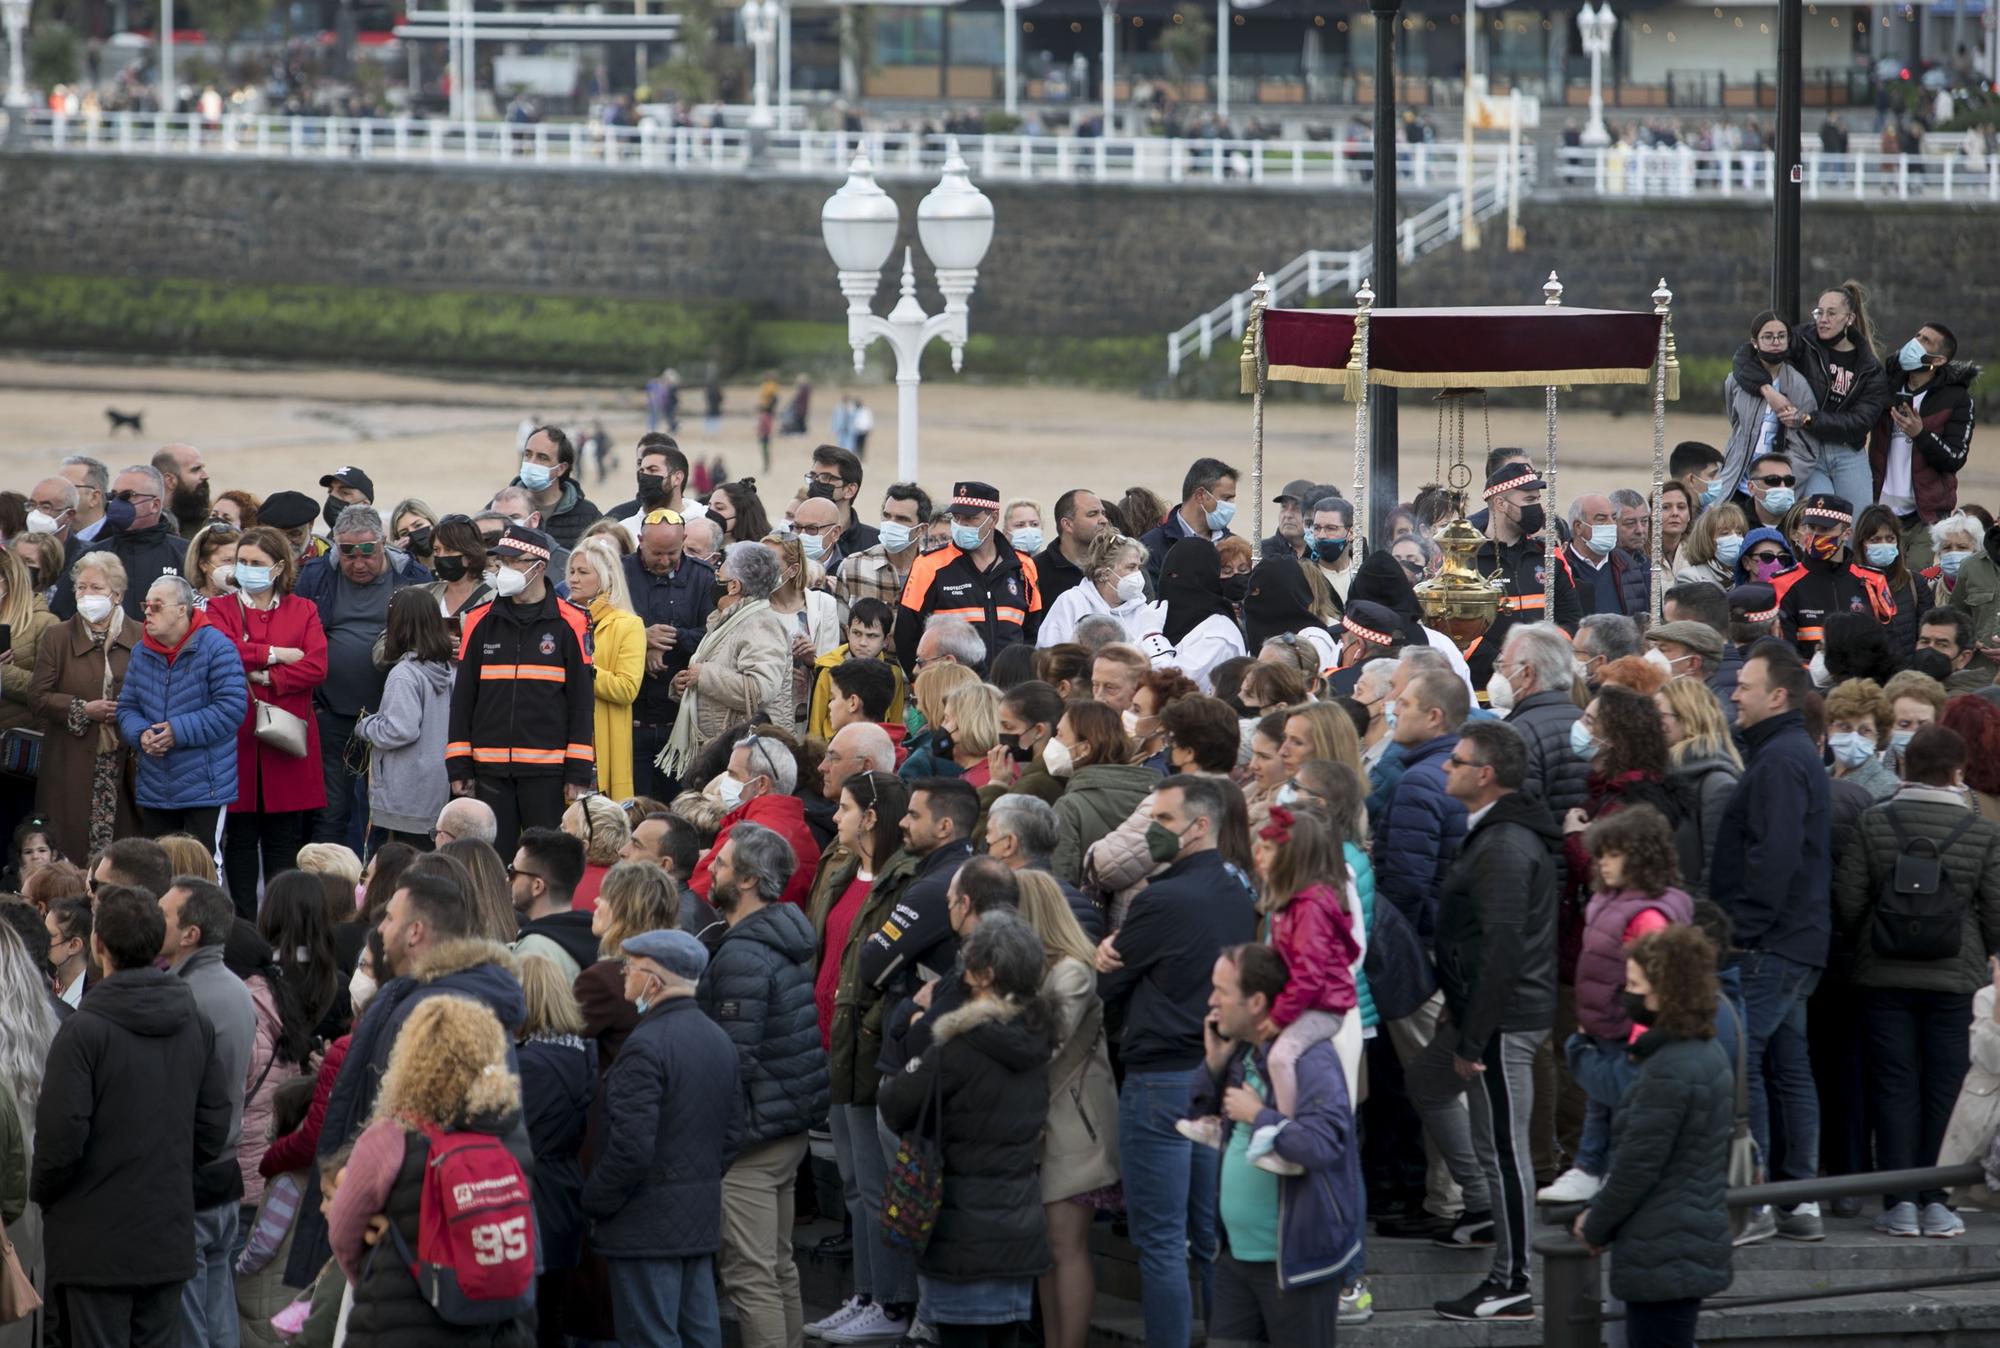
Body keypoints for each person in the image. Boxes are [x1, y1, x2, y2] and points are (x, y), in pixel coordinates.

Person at [1093, 776, 1257, 1348]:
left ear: (1201, 826)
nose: (1151, 833)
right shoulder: (1238, 893)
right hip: (1216, 1075)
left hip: (1162, 1080)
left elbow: (1106, 985)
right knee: (1206, 1231)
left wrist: (1100, 958)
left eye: (1162, 821)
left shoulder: (1160, 898)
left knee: (1161, 1240)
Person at [32, 886, 232, 1348]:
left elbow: (61, 1139)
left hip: (94, 1242)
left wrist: (48, 1197)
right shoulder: (193, 1021)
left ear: (98, 944)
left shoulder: (83, 1032)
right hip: (164, 1233)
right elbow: (213, 1127)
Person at [1408, 720, 1556, 1322]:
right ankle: (1482, 1209)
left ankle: (1514, 1279)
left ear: (1484, 775)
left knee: (1503, 1146)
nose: (1445, 767)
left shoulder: (1503, 845)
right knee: (1428, 1081)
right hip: (1482, 1011)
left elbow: (1502, 948)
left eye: (1457, 762)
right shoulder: (1495, 834)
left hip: (1502, 1019)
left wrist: (1476, 1036)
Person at [1832, 723, 2000, 1237]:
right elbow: (1996, 912)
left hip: (1884, 974)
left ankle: (1899, 1202)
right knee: (1944, 1086)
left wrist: (1875, 938)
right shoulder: (1982, 831)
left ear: (1903, 765)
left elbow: (1849, 899)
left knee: (1893, 1084)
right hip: (1955, 978)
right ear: (1957, 771)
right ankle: (1937, 1198)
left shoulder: (1874, 821)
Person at [878, 915, 1052, 1348]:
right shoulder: (1035, 1041)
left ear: (986, 974)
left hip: (962, 1235)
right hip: (1018, 1230)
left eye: (966, 965)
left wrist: (913, 1025)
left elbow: (897, 1102)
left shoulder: (959, 1048)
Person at [326, 992, 534, 1348]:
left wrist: (379, 1276)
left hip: (399, 1321)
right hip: (494, 1322)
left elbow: (343, 1233)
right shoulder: (509, 1132)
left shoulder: (389, 1136)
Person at [1713, 640, 1830, 1243]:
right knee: (1788, 1066)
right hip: (1795, 937)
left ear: (1778, 695)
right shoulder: (1783, 753)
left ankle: (1756, 1200)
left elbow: (1774, 854)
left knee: (1746, 1065)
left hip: (1771, 943)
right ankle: (1799, 1199)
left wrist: (1744, 929)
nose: (1733, 693)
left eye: (1746, 686)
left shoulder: (1780, 760)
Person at [696, 823, 828, 1348]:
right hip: (782, 1124)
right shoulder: (779, 934)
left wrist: (720, 1140)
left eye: (723, 864)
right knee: (777, 1266)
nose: (712, 869)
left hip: (753, 1135)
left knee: (751, 1276)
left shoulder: (744, 954)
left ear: (748, 880)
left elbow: (734, 1060)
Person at [1191, 941, 1361, 1346]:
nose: (1211, 1001)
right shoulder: (1243, 1053)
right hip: (1235, 1258)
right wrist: (1212, 1067)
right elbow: (1197, 1112)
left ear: (1256, 1002)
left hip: (1295, 1266)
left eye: (1222, 991)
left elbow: (1322, 1145)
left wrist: (1260, 1116)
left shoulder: (1311, 1060)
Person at [1573, 926, 1735, 1348]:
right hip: (1682, 1240)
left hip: (1662, 1247)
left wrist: (1595, 1223)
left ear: (1666, 991)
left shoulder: (1669, 1067)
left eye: (1634, 986)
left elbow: (1636, 1165)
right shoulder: (1704, 1052)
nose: (1627, 996)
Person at [584, 928, 740, 1348]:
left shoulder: (645, 1046)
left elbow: (631, 1148)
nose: (625, 977)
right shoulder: (719, 1041)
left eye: (630, 968)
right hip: (697, 1219)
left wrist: (594, 1199)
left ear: (654, 981)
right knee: (699, 1334)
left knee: (650, 1336)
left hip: (644, 1227)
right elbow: (733, 1134)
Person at [1542, 805, 1693, 1206]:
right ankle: (1591, 1167)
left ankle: (1604, 1170)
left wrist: (1643, 1034)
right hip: (1603, 1023)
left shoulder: (1647, 913)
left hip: (1628, 1029)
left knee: (1619, 1106)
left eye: (1613, 855)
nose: (1603, 863)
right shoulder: (1610, 900)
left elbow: (1655, 982)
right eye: (1601, 853)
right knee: (1600, 1103)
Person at [1013, 871, 1118, 1348]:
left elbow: (1042, 1043)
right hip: (1050, 1124)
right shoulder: (1039, 970)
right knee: (1047, 1251)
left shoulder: (1072, 970)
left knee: (1065, 1247)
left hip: (1076, 1127)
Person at [447, 525, 595, 855]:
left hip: (547, 772)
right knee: (494, 861)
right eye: (501, 563)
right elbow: (463, 698)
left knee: (545, 860)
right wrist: (459, 762)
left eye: (514, 563)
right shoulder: (478, 620)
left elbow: (581, 703)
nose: (505, 571)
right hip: (489, 770)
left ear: (539, 566)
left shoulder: (571, 622)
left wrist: (578, 770)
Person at [206, 526, 328, 917]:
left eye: (256, 563)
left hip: (286, 740)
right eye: (241, 561)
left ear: (277, 568)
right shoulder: (219, 609)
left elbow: (316, 666)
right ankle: (242, 921)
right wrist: (276, 653)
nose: (246, 568)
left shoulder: (303, 609)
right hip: (238, 740)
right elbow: (222, 651)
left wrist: (265, 675)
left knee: (283, 841)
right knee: (239, 840)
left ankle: (281, 923)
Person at [156, 877, 255, 1347]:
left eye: (165, 914)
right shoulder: (236, 989)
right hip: (224, 1174)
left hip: (192, 1177)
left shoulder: (186, 997)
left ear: (191, 934)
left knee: (192, 1322)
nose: (154, 920)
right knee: (218, 1315)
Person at [1731, 281, 1888, 508]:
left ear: (1850, 319)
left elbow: (1861, 421)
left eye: (1831, 313)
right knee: (1818, 518)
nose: (1822, 319)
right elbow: (1744, 358)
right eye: (1819, 312)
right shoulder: (1804, 340)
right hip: (1808, 448)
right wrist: (1768, 391)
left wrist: (1808, 418)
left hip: (1847, 451)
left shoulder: (1869, 367)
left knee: (1858, 524)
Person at [116, 574, 248, 843]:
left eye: (157, 606)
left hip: (205, 784)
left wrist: (177, 730)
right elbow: (127, 707)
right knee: (158, 869)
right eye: (146, 605)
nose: (148, 613)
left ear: (181, 610)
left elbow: (231, 709)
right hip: (156, 785)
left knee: (203, 869)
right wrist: (141, 734)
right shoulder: (141, 652)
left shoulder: (218, 648)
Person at [30, 550, 138, 863]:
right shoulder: (58, 636)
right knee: (70, 850)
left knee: (120, 855)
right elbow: (38, 696)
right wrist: (82, 709)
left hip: (122, 762)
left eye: (96, 588)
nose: (86, 595)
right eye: (81, 587)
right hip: (70, 761)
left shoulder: (141, 637)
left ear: (116, 594)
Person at [655, 543, 791, 785]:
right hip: (716, 750)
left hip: (737, 757)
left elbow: (760, 690)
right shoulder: (727, 622)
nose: (714, 580)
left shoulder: (760, 624)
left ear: (734, 585)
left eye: (719, 575)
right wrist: (684, 684)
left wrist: (704, 675)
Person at [895, 481, 1043, 672]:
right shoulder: (928, 565)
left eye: (970, 518)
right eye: (956, 517)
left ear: (993, 517)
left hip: (1007, 690)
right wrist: (924, 684)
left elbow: (1032, 631)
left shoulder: (1023, 566)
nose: (961, 524)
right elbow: (906, 635)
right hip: (949, 691)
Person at [622, 505, 717, 800]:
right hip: (630, 718)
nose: (664, 561)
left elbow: (713, 637)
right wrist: (641, 640)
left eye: (672, 554)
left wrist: (667, 639)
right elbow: (599, 628)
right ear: (640, 540)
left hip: (681, 723)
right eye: (656, 554)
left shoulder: (703, 578)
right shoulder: (620, 572)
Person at [355, 589, 456, 852]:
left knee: (398, 869)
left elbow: (399, 730)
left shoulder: (404, 673)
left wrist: (366, 726)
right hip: (433, 790)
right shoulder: (443, 668)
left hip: (403, 794)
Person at [1871, 320, 1977, 568]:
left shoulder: (1956, 398)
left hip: (1925, 515)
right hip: (1880, 510)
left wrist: (1921, 434)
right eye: (1917, 336)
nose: (1914, 343)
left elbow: (1955, 458)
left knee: (1917, 584)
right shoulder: (1886, 385)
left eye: (1925, 341)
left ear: (1938, 360)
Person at [687, 733, 822, 911]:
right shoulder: (799, 829)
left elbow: (697, 898)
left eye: (733, 774)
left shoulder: (747, 834)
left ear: (761, 784)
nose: (725, 782)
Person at [49, 463, 187, 622]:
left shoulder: (184, 554)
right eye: (113, 496)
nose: (117, 503)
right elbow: (62, 614)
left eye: (127, 496)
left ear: (154, 505)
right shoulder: (93, 556)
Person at [562, 538, 645, 800]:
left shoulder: (628, 625)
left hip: (600, 745)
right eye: (572, 572)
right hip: (558, 740)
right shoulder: (559, 620)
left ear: (606, 578)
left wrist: (582, 668)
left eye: (583, 572)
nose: (573, 579)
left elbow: (626, 689)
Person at [1048, 702, 1156, 885]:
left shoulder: (1070, 807)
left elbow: (1061, 882)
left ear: (1085, 748)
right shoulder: (1155, 798)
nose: (1054, 741)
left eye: (1060, 735)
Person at [1489, 622, 1589, 815]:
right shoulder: (1587, 721)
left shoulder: (1519, 733)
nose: (1500, 674)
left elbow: (1516, 809)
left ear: (1526, 673)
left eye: (1503, 666)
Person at [1136, 539, 1248, 692]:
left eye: (1180, 577)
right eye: (1169, 575)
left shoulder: (1218, 635)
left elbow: (1173, 688)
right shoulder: (1158, 618)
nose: (1172, 584)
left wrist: (1152, 637)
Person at [1037, 532, 1149, 649]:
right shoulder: (1071, 602)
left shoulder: (1143, 610)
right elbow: (1050, 653)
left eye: (1138, 567)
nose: (1138, 574)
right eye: (1131, 567)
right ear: (1105, 573)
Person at [834, 482, 931, 614]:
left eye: (901, 519)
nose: (891, 523)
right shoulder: (853, 567)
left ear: (921, 529)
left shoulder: (934, 570)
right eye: (887, 516)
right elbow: (841, 629)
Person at [1140, 458, 1239, 580]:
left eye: (1231, 499)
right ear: (1200, 495)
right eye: (1226, 498)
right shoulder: (1152, 546)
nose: (1231, 506)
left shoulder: (1235, 545)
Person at [1567, 493, 1650, 616]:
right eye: (1601, 519)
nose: (1611, 524)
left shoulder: (1628, 565)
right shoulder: (1561, 566)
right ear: (1578, 526)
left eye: (1614, 518)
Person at [1033, 489, 1108, 607]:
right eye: (1092, 514)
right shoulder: (1035, 570)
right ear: (1067, 524)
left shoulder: (1115, 565)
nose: (1104, 520)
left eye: (1103, 513)